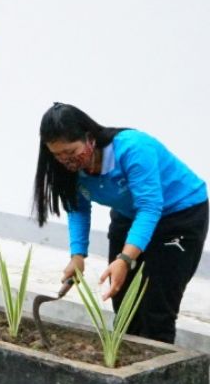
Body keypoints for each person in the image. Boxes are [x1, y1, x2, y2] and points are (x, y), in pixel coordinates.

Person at [33, 103, 208, 344]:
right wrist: (77, 255)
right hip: (130, 215)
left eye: (71, 152)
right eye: (57, 155)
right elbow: (78, 208)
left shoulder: (133, 149)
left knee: (157, 307)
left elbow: (149, 207)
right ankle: (124, 367)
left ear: (89, 138)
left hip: (179, 216)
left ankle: (157, 374)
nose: (65, 161)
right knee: (124, 302)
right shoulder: (69, 167)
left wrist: (125, 259)